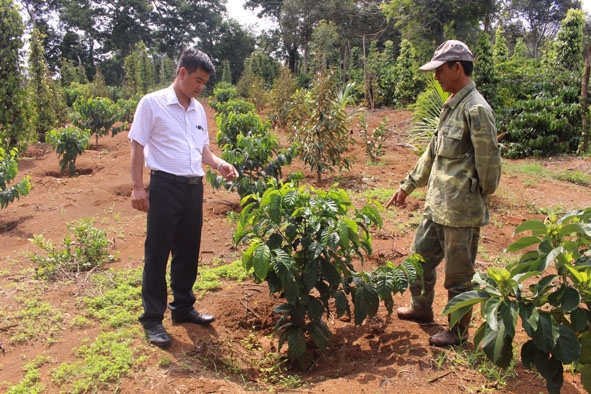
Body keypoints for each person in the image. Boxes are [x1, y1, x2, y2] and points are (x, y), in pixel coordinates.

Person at [385, 40, 501, 347]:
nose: (436, 77)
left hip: (461, 212)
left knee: (459, 276)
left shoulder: (476, 109)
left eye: (440, 70)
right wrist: (406, 186)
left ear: (457, 68)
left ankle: (457, 331)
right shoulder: (452, 105)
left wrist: (477, 197)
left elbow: (489, 164)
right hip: (437, 206)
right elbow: (432, 153)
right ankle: (421, 308)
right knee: (419, 259)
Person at [129, 48, 239, 347]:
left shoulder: (198, 109)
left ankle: (182, 307)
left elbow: (202, 150)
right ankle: (152, 318)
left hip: (194, 187)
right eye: (197, 80)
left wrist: (219, 164)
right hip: (165, 185)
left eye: (204, 83)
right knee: (158, 252)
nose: (200, 87)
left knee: (188, 250)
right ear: (182, 73)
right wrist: (138, 187)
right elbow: (137, 145)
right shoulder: (152, 103)